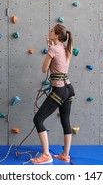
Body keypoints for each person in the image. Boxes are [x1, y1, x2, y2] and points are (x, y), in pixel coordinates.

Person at [31, 24, 76, 164]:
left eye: (51, 31)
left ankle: (46, 155)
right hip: (69, 89)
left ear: (56, 35)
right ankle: (65, 155)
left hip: (59, 90)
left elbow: (44, 69)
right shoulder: (66, 48)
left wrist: (49, 50)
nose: (49, 31)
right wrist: (52, 48)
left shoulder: (53, 49)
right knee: (65, 121)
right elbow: (61, 62)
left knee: (38, 119)